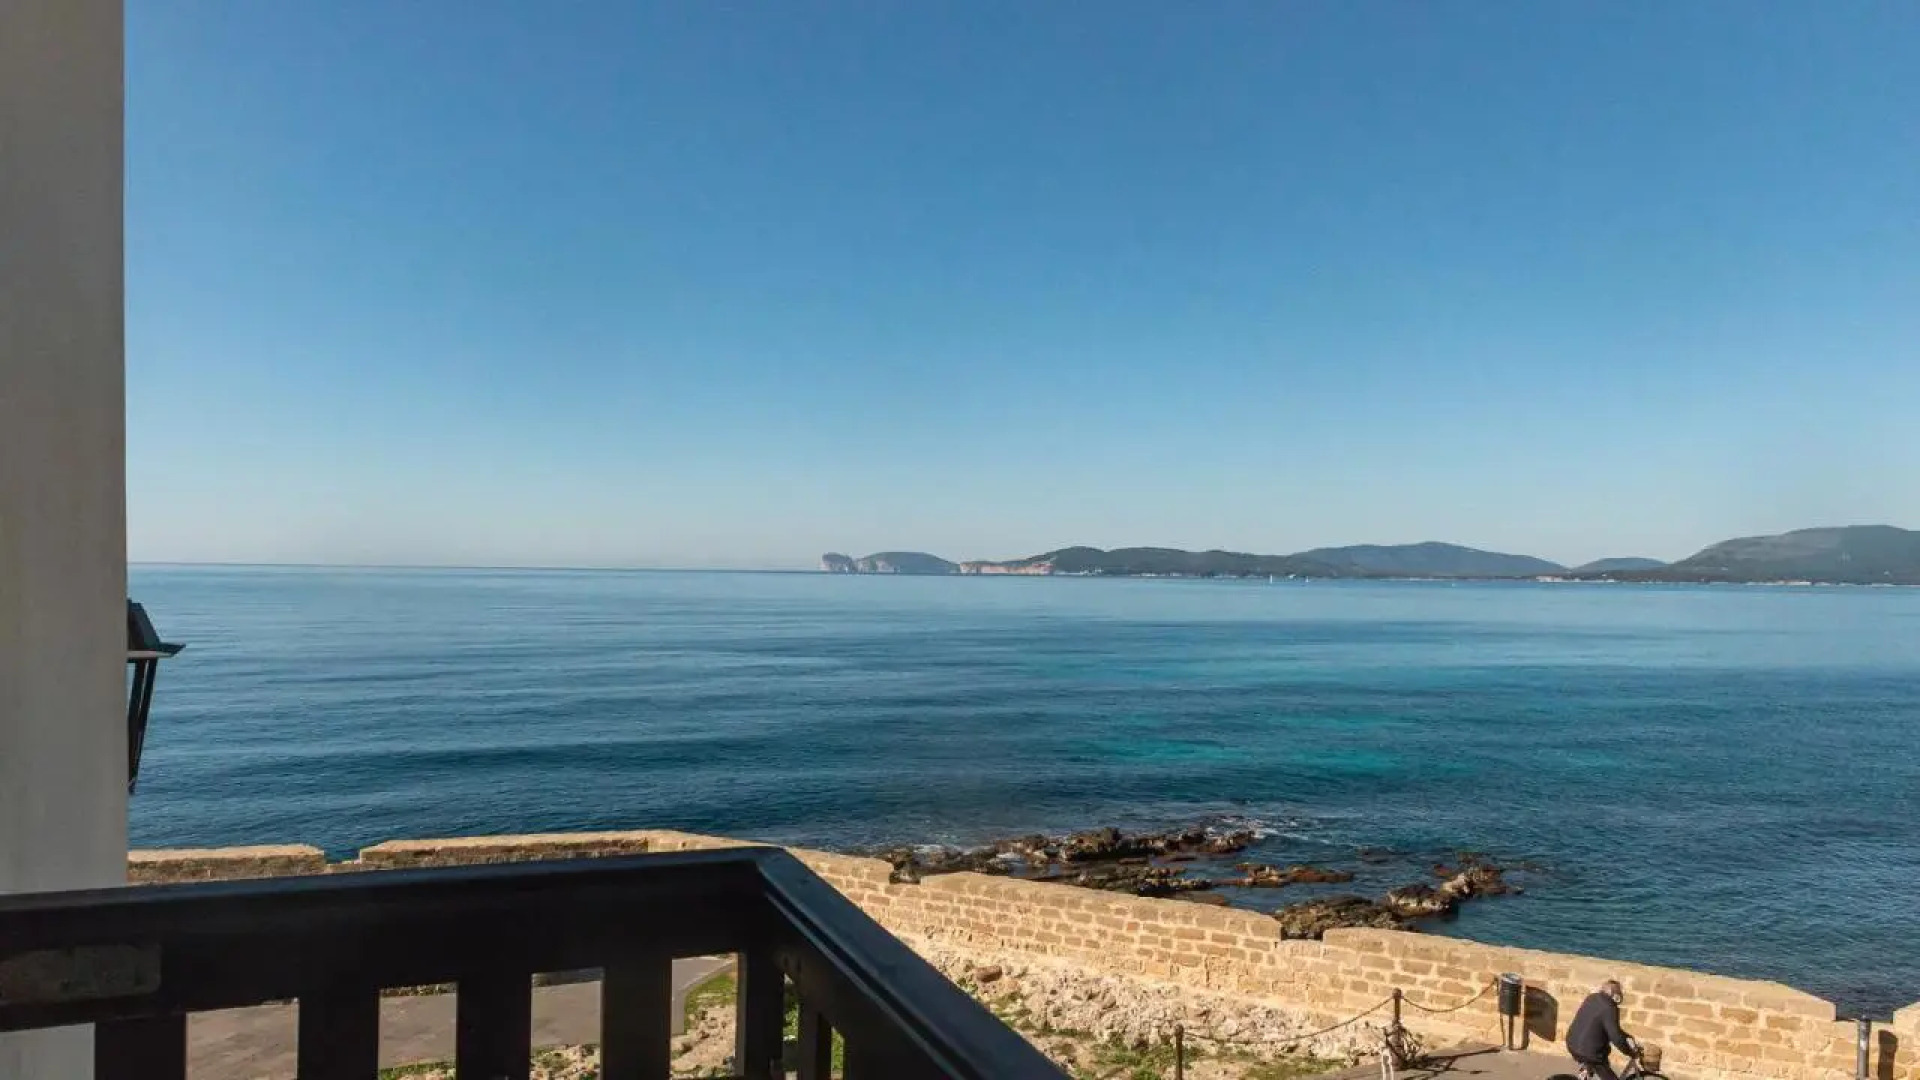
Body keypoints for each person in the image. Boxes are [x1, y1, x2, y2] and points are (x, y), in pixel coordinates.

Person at [1566, 979, 1639, 1080]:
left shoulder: (1591, 997)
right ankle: (1589, 1068)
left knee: (1600, 1058)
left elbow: (1611, 1029)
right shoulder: (1610, 1008)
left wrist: (1627, 1036)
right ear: (1615, 994)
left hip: (1572, 1043)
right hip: (1589, 1053)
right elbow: (1615, 1037)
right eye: (1619, 992)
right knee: (1605, 1070)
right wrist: (1629, 1052)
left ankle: (1587, 1070)